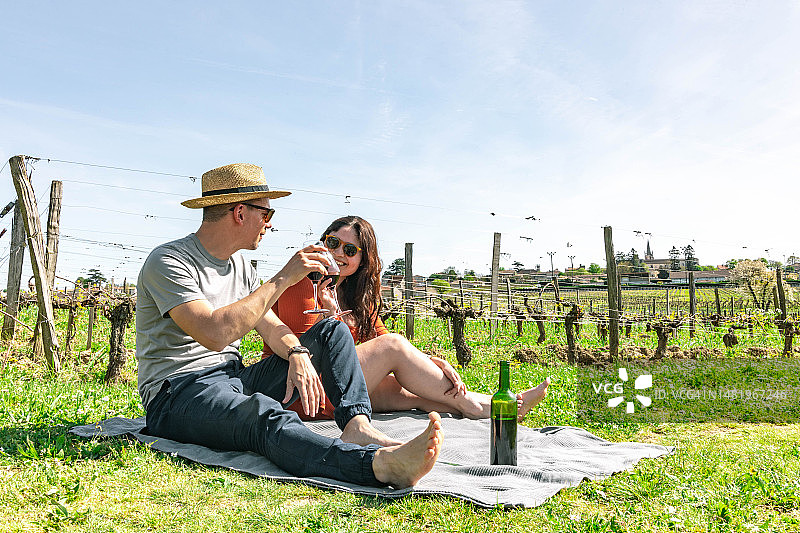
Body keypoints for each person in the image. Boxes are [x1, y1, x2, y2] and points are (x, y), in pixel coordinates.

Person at [135, 163, 442, 489]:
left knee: (331, 331)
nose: (269, 224)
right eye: (266, 214)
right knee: (261, 415)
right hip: (178, 394)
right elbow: (213, 334)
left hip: (233, 378)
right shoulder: (169, 261)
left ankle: (356, 425)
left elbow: (270, 326)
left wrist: (297, 352)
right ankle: (376, 466)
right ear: (240, 212)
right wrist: (283, 277)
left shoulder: (240, 266)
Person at [269, 215, 550, 421]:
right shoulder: (302, 282)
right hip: (301, 392)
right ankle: (479, 405)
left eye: (350, 250)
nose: (339, 253)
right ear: (322, 242)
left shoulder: (356, 297)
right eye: (333, 243)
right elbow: (310, 351)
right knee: (393, 346)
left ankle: (494, 408)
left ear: (362, 260)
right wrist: (333, 316)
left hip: (338, 387)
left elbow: (380, 340)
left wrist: (430, 361)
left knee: (417, 394)